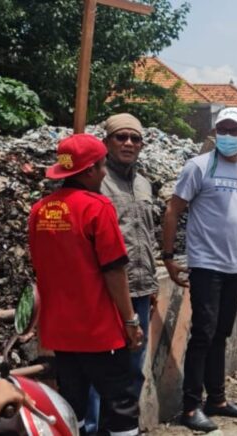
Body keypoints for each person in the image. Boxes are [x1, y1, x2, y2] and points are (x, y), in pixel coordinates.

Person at [28, 134, 143, 435]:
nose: (105, 172)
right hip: (99, 331)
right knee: (121, 405)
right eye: (102, 166)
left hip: (60, 332)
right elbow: (114, 271)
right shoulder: (97, 208)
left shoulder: (39, 211)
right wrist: (130, 320)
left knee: (70, 407)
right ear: (90, 169)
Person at [162, 107, 237, 432]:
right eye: (224, 129)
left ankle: (216, 399)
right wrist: (169, 256)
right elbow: (173, 210)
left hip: (235, 266)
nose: (229, 136)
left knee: (221, 333)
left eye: (236, 130)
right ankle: (190, 408)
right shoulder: (198, 167)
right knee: (203, 333)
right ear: (216, 132)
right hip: (205, 264)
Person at [84, 113, 159, 433]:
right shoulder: (95, 182)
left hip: (141, 290)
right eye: (121, 137)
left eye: (135, 138)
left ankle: (123, 428)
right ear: (107, 142)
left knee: (133, 369)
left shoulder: (143, 183)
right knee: (100, 372)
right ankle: (94, 429)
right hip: (106, 292)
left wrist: (153, 282)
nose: (129, 143)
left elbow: (147, 234)